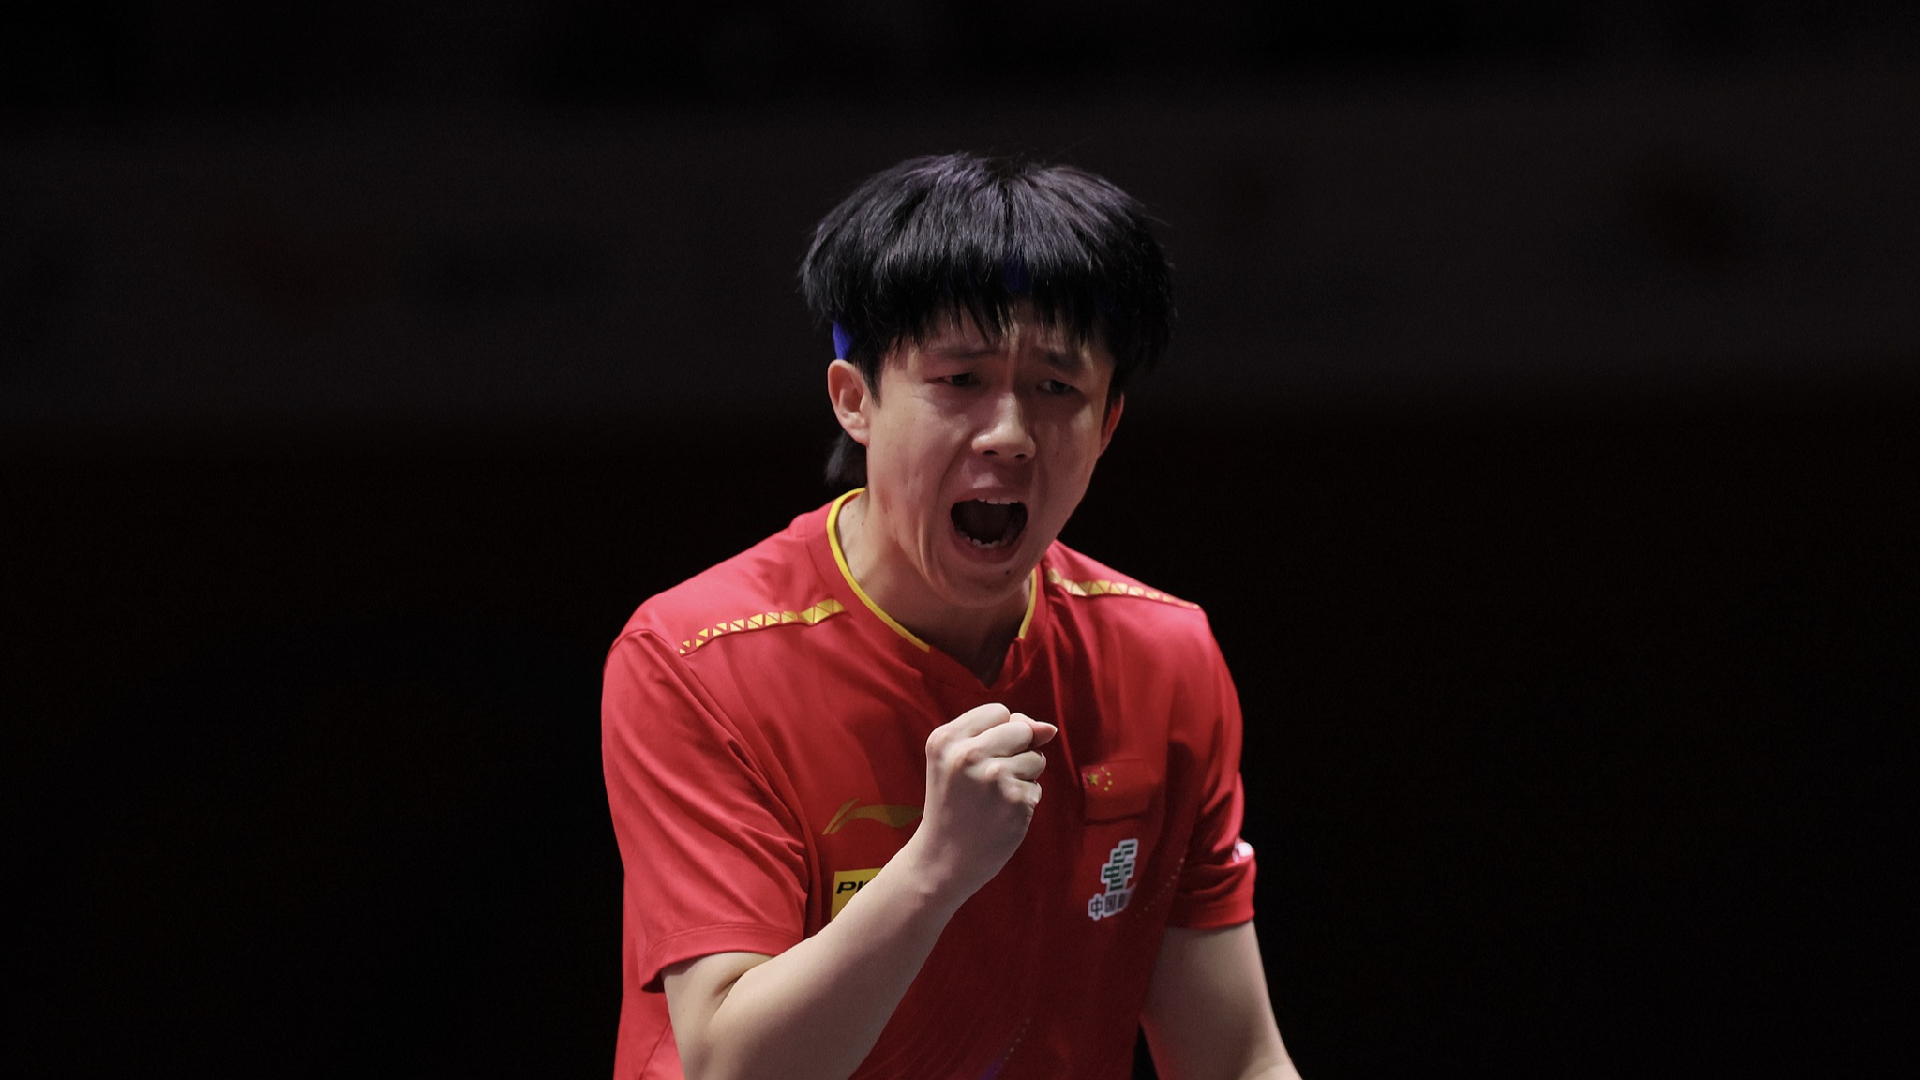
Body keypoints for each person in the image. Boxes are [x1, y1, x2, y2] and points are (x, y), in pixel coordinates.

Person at [601, 152, 1303, 1080]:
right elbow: (732, 1067)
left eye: (1057, 388)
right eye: (960, 378)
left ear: (1107, 425)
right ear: (855, 400)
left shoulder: (1162, 658)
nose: (1009, 434)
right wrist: (935, 867)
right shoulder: (694, 660)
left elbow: (1237, 1059)